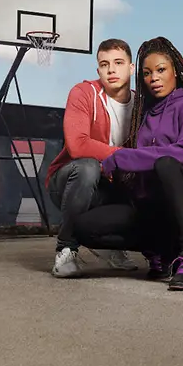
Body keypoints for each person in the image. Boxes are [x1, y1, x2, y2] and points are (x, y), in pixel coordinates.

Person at [72, 36, 183, 291]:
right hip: (156, 207)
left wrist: (119, 158)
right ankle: (161, 250)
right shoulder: (144, 113)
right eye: (147, 73)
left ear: (176, 70)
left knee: (166, 164)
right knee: (84, 227)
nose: (154, 78)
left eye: (161, 70)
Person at [44, 38, 139, 278]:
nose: (111, 69)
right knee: (88, 167)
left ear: (131, 67)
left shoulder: (141, 104)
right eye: (104, 64)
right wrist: (127, 156)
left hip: (110, 185)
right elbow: (77, 146)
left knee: (142, 179)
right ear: (98, 70)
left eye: (118, 62)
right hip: (69, 182)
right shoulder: (84, 93)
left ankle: (114, 248)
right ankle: (66, 248)